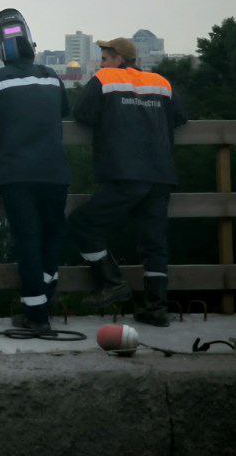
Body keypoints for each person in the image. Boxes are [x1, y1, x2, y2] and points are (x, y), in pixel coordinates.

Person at [67, 37, 187, 326]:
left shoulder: (106, 79)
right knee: (154, 243)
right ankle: (156, 308)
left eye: (105, 57)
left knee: (83, 223)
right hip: (159, 174)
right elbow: (180, 118)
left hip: (124, 173)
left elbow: (82, 114)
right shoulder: (161, 82)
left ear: (119, 59)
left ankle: (111, 282)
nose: (101, 63)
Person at [0, 9, 70, 332]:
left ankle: (35, 314)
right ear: (32, 45)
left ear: (1, 52)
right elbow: (64, 111)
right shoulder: (52, 76)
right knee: (51, 237)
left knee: (27, 240)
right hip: (55, 172)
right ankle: (45, 295)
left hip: (18, 174)